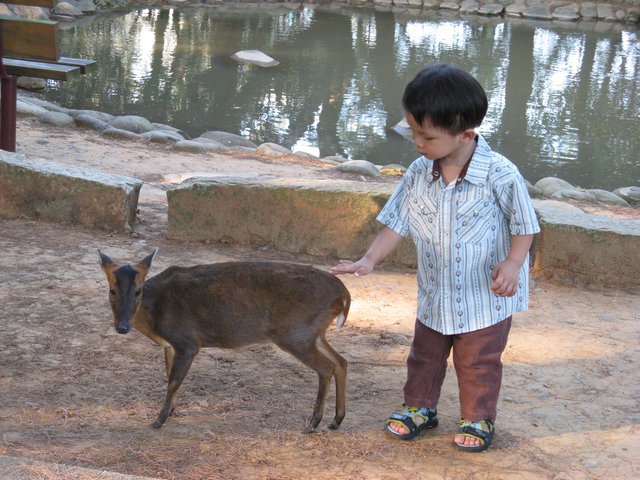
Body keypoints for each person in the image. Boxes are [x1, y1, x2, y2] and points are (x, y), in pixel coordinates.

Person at [330, 63, 540, 452]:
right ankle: (419, 409)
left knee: (477, 361)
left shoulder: (500, 174)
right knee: (424, 356)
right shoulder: (417, 172)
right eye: (413, 131)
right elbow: (397, 220)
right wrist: (369, 259)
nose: (417, 143)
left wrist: (513, 264)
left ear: (465, 134)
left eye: (426, 136)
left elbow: (524, 225)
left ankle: (478, 418)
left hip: (484, 298)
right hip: (435, 293)